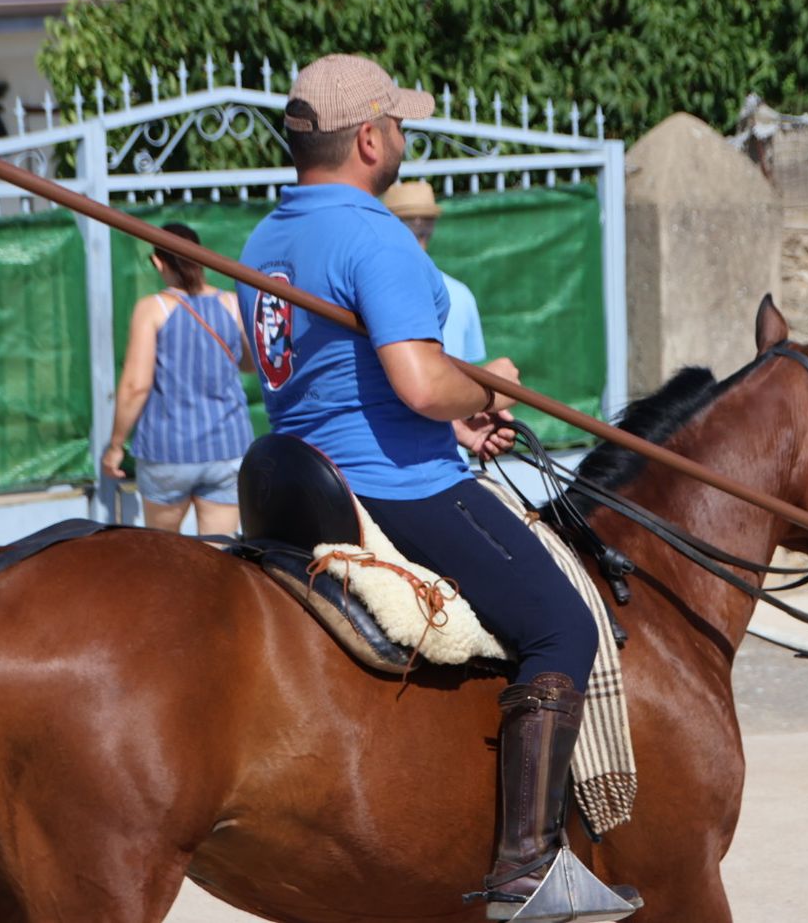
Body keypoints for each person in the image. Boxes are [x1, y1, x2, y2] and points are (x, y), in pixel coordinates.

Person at [236, 53, 637, 920]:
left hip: (302, 477)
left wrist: (446, 415)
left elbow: (316, 375)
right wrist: (485, 386)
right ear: (372, 138)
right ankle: (528, 867)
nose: (407, 137)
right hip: (396, 486)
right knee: (564, 622)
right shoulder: (373, 232)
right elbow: (418, 382)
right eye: (402, 124)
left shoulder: (266, 238)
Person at [102, 223, 255, 536]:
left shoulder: (153, 309)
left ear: (159, 263)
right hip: (227, 448)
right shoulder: (232, 304)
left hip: (167, 451)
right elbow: (250, 364)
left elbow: (136, 385)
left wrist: (116, 445)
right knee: (218, 556)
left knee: (164, 557)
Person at [383, 179, 486, 364]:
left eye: (426, 218)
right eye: (408, 218)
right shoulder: (461, 294)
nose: (418, 222)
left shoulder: (461, 295)